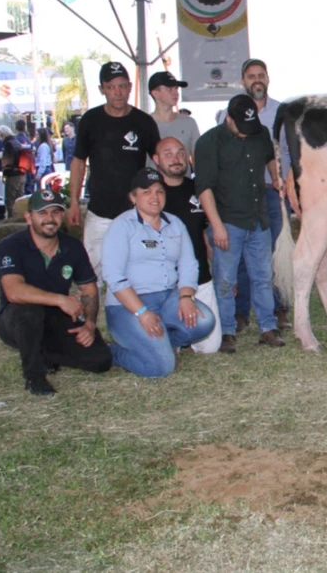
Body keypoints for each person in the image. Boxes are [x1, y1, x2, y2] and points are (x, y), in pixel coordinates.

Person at [0, 188, 112, 396]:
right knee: (30, 313)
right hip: (16, 318)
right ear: (29, 217)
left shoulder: (72, 246)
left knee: (100, 360)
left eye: (55, 212)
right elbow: (13, 291)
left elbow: (89, 288)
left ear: (62, 215)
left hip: (55, 317)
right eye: (42, 213)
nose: (50, 219)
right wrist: (60, 300)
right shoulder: (10, 246)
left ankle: (45, 352)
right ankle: (34, 376)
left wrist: (90, 324)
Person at [195, 94, 287, 353]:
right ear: (228, 118)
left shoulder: (259, 133)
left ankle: (268, 328)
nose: (247, 133)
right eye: (241, 128)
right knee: (225, 279)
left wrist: (275, 177)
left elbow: (269, 154)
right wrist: (217, 225)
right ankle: (226, 331)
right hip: (228, 221)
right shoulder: (208, 142)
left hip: (258, 219)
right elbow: (204, 188)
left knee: (263, 276)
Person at [101, 168, 215, 377]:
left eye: (159, 191)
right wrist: (142, 313)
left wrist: (186, 296)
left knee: (205, 321)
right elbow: (114, 277)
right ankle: (113, 352)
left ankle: (159, 343)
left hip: (167, 298)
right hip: (128, 305)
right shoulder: (121, 226)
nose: (154, 196)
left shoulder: (175, 224)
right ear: (133, 197)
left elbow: (189, 264)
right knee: (160, 368)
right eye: (146, 191)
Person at [67, 61, 161, 285]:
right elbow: (78, 162)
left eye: (122, 86)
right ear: (102, 89)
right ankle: (90, 321)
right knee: (90, 276)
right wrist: (72, 202)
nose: (117, 92)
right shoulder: (90, 120)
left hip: (136, 214)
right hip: (100, 213)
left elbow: (159, 163)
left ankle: (137, 319)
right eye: (111, 87)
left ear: (129, 87)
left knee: (138, 275)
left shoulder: (144, 122)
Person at [230, 58, 293, 330]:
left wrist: (288, 185)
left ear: (268, 79)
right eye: (251, 75)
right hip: (242, 196)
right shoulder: (228, 114)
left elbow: (293, 154)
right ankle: (240, 312)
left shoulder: (283, 113)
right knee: (244, 254)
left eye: (261, 75)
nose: (257, 79)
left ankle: (280, 310)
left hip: (275, 194)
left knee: (279, 251)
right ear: (243, 81)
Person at [152, 136, 220, 354]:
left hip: (200, 278)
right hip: (165, 284)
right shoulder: (151, 196)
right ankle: (172, 335)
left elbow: (205, 233)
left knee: (210, 347)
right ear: (156, 160)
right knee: (166, 349)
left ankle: (185, 333)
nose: (176, 159)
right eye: (168, 154)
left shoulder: (199, 189)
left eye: (181, 153)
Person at [148, 71, 200, 162]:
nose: (175, 93)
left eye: (176, 88)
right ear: (155, 93)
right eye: (169, 89)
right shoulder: (143, 123)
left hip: (182, 176)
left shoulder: (189, 123)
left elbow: (199, 160)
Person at [0, 125, 32, 206]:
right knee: (20, 200)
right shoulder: (16, 142)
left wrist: (5, 175)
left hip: (13, 175)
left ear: (2, 134)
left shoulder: (8, 144)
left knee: (10, 200)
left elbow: (8, 162)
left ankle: (12, 217)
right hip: (22, 173)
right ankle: (20, 217)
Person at [32, 127, 55, 192]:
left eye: (37, 134)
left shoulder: (43, 146)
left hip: (44, 171)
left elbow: (43, 162)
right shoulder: (45, 145)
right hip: (45, 169)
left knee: (43, 191)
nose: (36, 136)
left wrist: (39, 174)